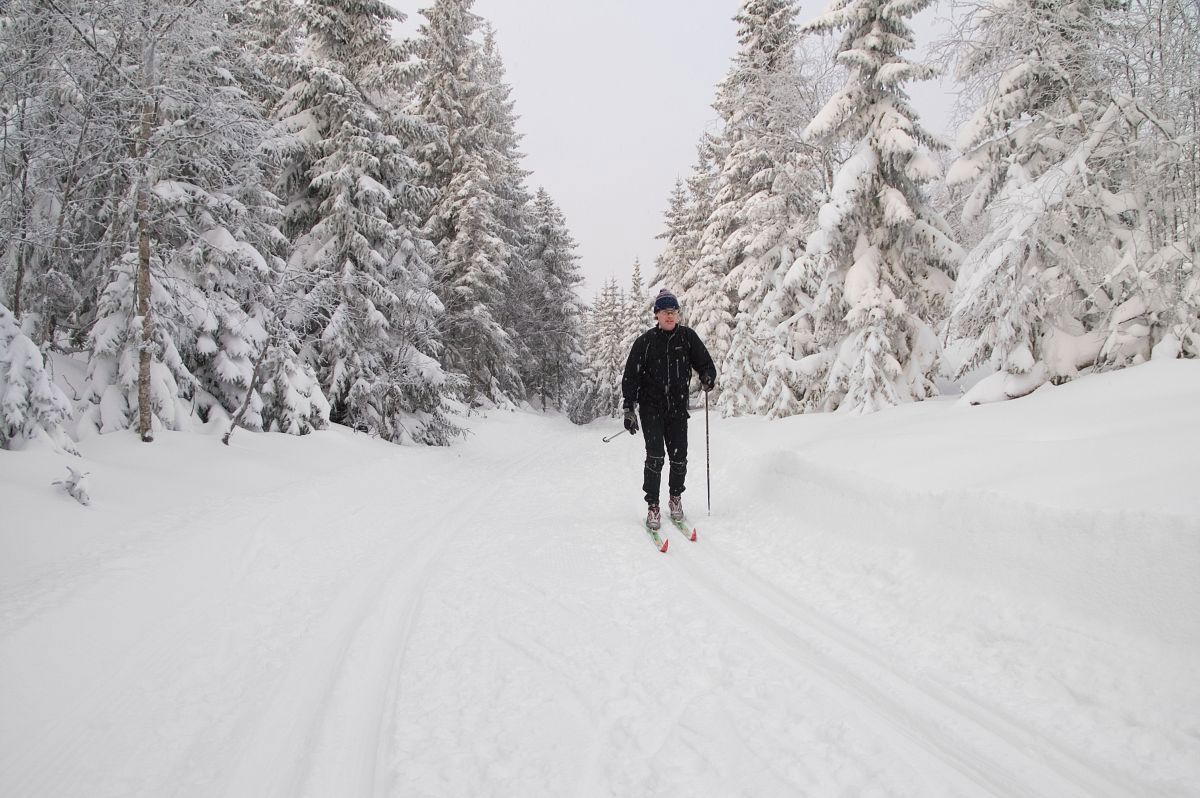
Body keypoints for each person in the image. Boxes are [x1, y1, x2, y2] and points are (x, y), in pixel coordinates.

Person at [621, 288, 716, 530]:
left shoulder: (687, 338)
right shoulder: (645, 343)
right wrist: (629, 409)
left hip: (677, 408)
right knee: (655, 457)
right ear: (657, 315)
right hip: (651, 408)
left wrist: (707, 376)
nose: (670, 316)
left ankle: (675, 498)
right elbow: (631, 376)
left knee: (679, 458)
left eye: (673, 311)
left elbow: (704, 363)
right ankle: (653, 505)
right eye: (665, 312)